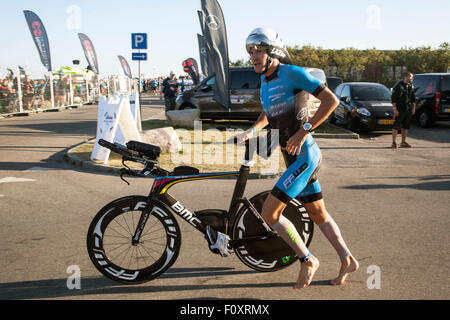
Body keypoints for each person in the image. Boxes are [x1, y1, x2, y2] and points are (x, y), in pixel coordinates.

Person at [231, 27, 359, 289]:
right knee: (318, 213)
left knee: (270, 212)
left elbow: (330, 101)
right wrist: (251, 132)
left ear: (272, 51)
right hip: (291, 157)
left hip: (305, 155)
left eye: (258, 50)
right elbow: (267, 114)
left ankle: (307, 259)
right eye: (250, 52)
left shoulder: (293, 73)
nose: (253, 56)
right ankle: (347, 259)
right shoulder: (265, 82)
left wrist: (303, 132)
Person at [391, 72, 416, 148]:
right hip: (399, 110)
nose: (412, 79)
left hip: (408, 109)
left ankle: (403, 142)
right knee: (396, 126)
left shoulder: (411, 86)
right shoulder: (399, 86)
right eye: (411, 77)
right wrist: (395, 110)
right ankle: (394, 142)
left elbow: (413, 99)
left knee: (406, 126)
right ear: (406, 77)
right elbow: (393, 99)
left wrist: (413, 108)